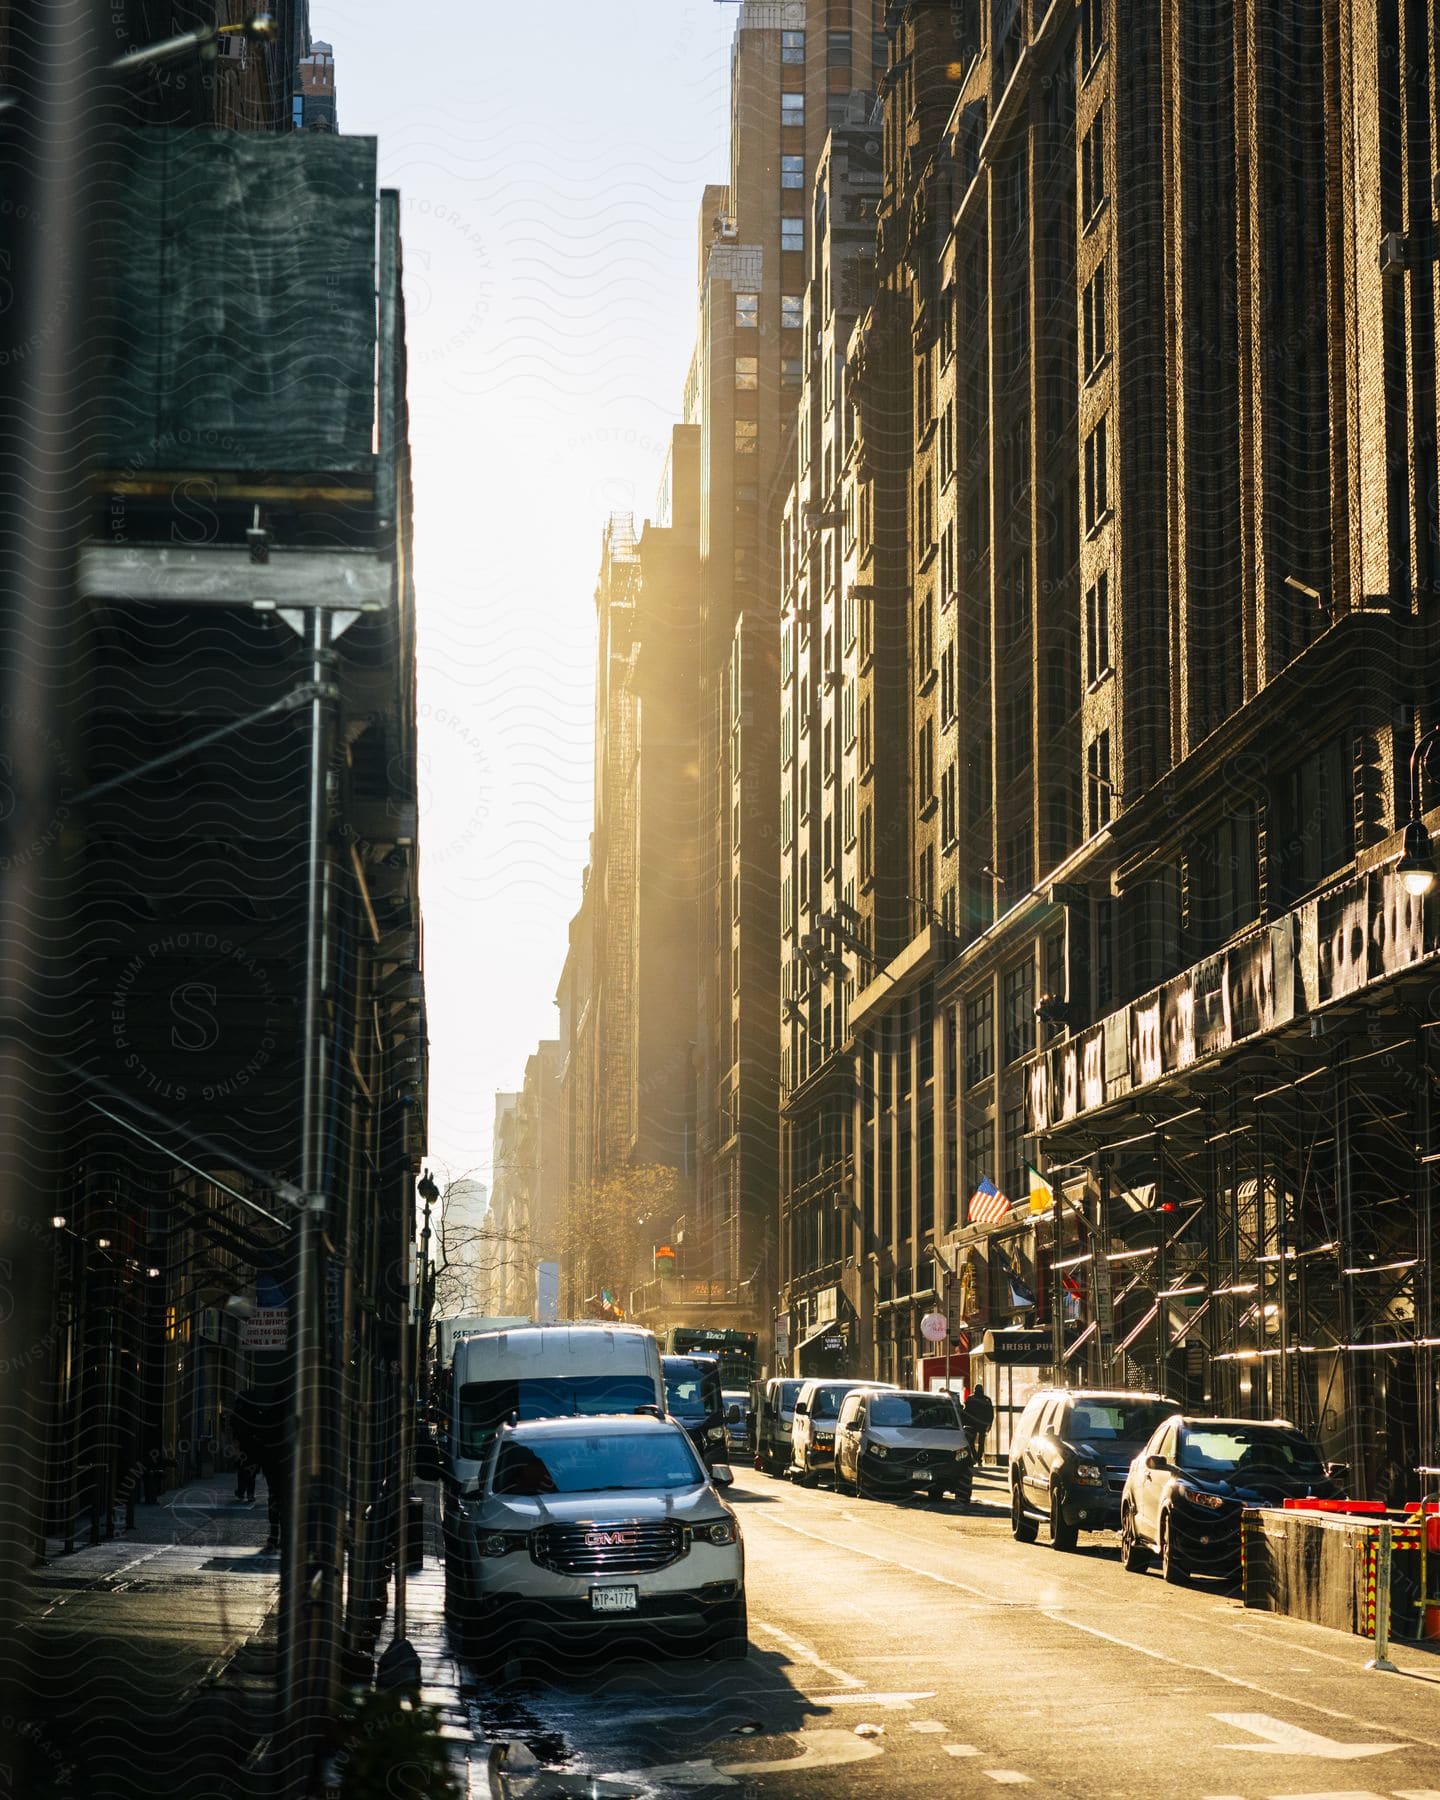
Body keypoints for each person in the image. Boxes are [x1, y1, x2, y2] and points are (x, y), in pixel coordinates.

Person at [228, 1387, 288, 1551]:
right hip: (282, 1456)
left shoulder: (254, 1400)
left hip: (268, 1456)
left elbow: (239, 1426)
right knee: (283, 1496)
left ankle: (274, 1536)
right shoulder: (285, 1399)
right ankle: (279, 1535)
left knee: (274, 1494)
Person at [962, 1382, 994, 1464]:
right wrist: (989, 1423)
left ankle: (975, 1457)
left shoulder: (970, 1398)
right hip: (982, 1424)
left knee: (971, 1442)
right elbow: (990, 1413)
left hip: (972, 1424)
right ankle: (979, 1458)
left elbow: (966, 1412)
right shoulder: (986, 1399)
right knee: (981, 1442)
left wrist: (964, 1423)